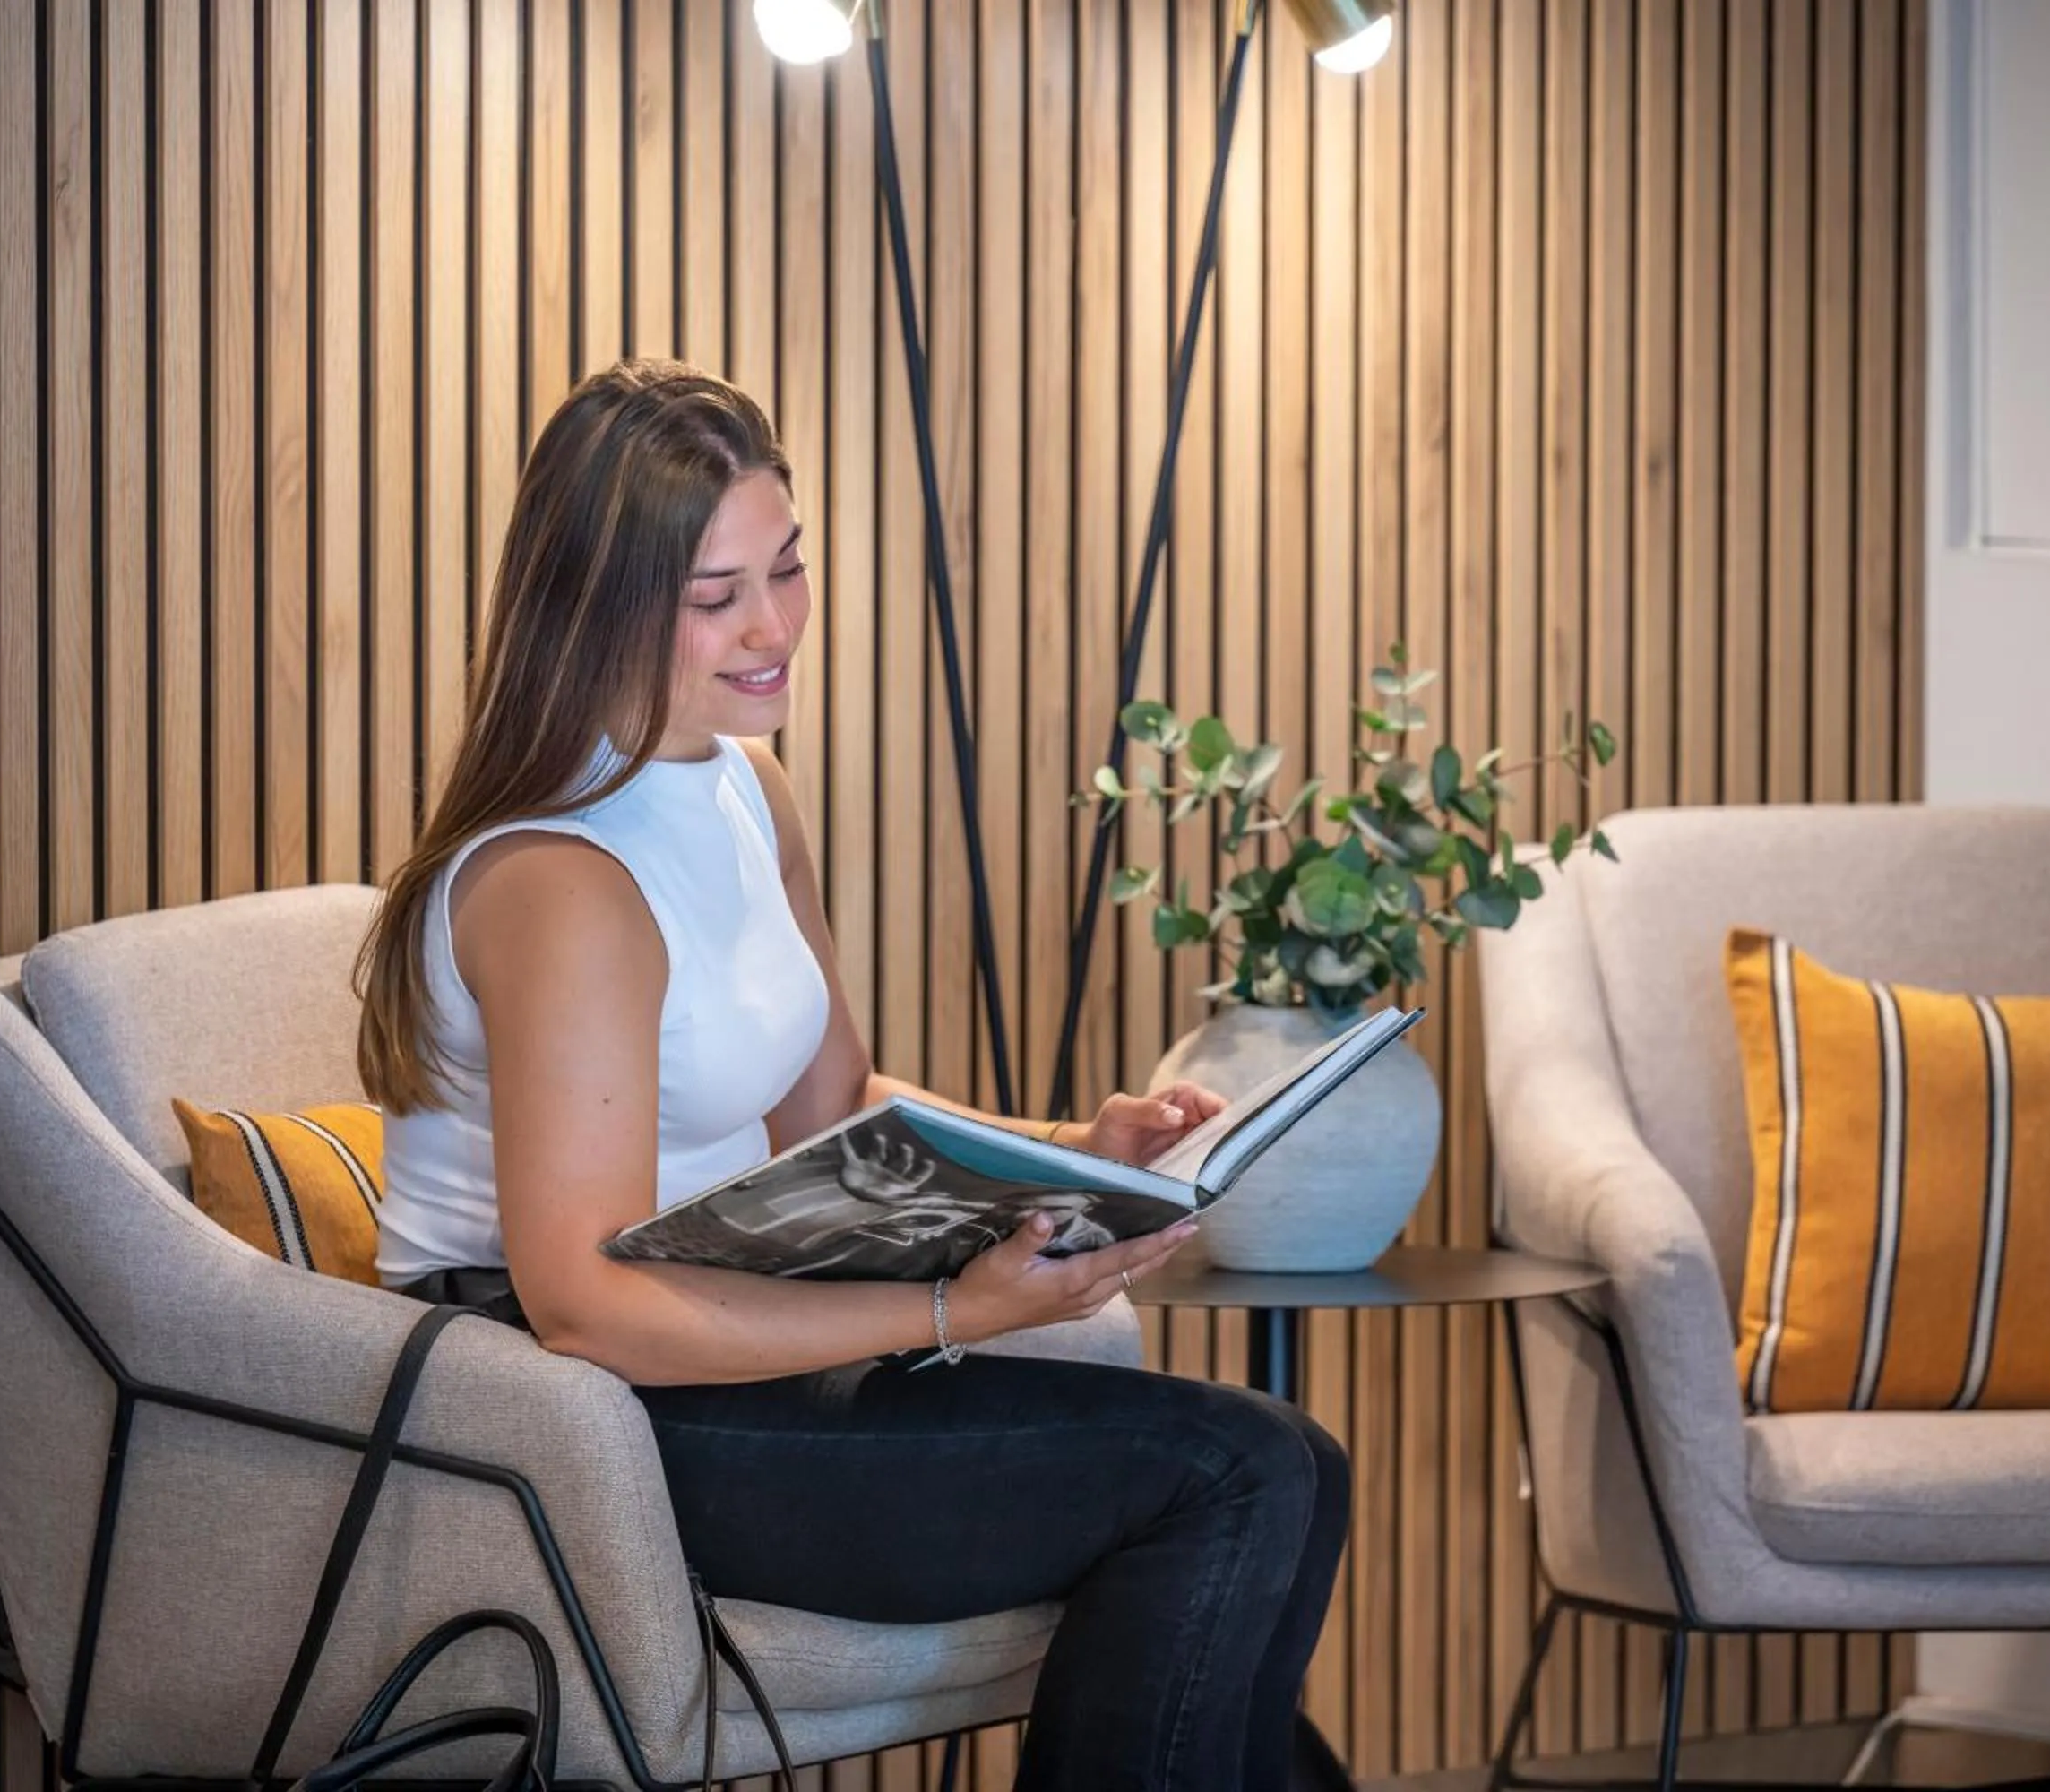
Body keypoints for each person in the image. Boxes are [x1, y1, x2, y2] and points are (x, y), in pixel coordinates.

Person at [354, 358, 1348, 1789]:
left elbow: (834, 1109)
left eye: (789, 566)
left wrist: (1081, 1147)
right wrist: (954, 1308)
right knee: (1240, 1475)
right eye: (717, 595)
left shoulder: (743, 785)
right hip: (578, 1410)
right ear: (598, 604)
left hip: (725, 1331)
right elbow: (583, 1307)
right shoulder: (561, 884)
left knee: (1296, 1467)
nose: (774, 627)